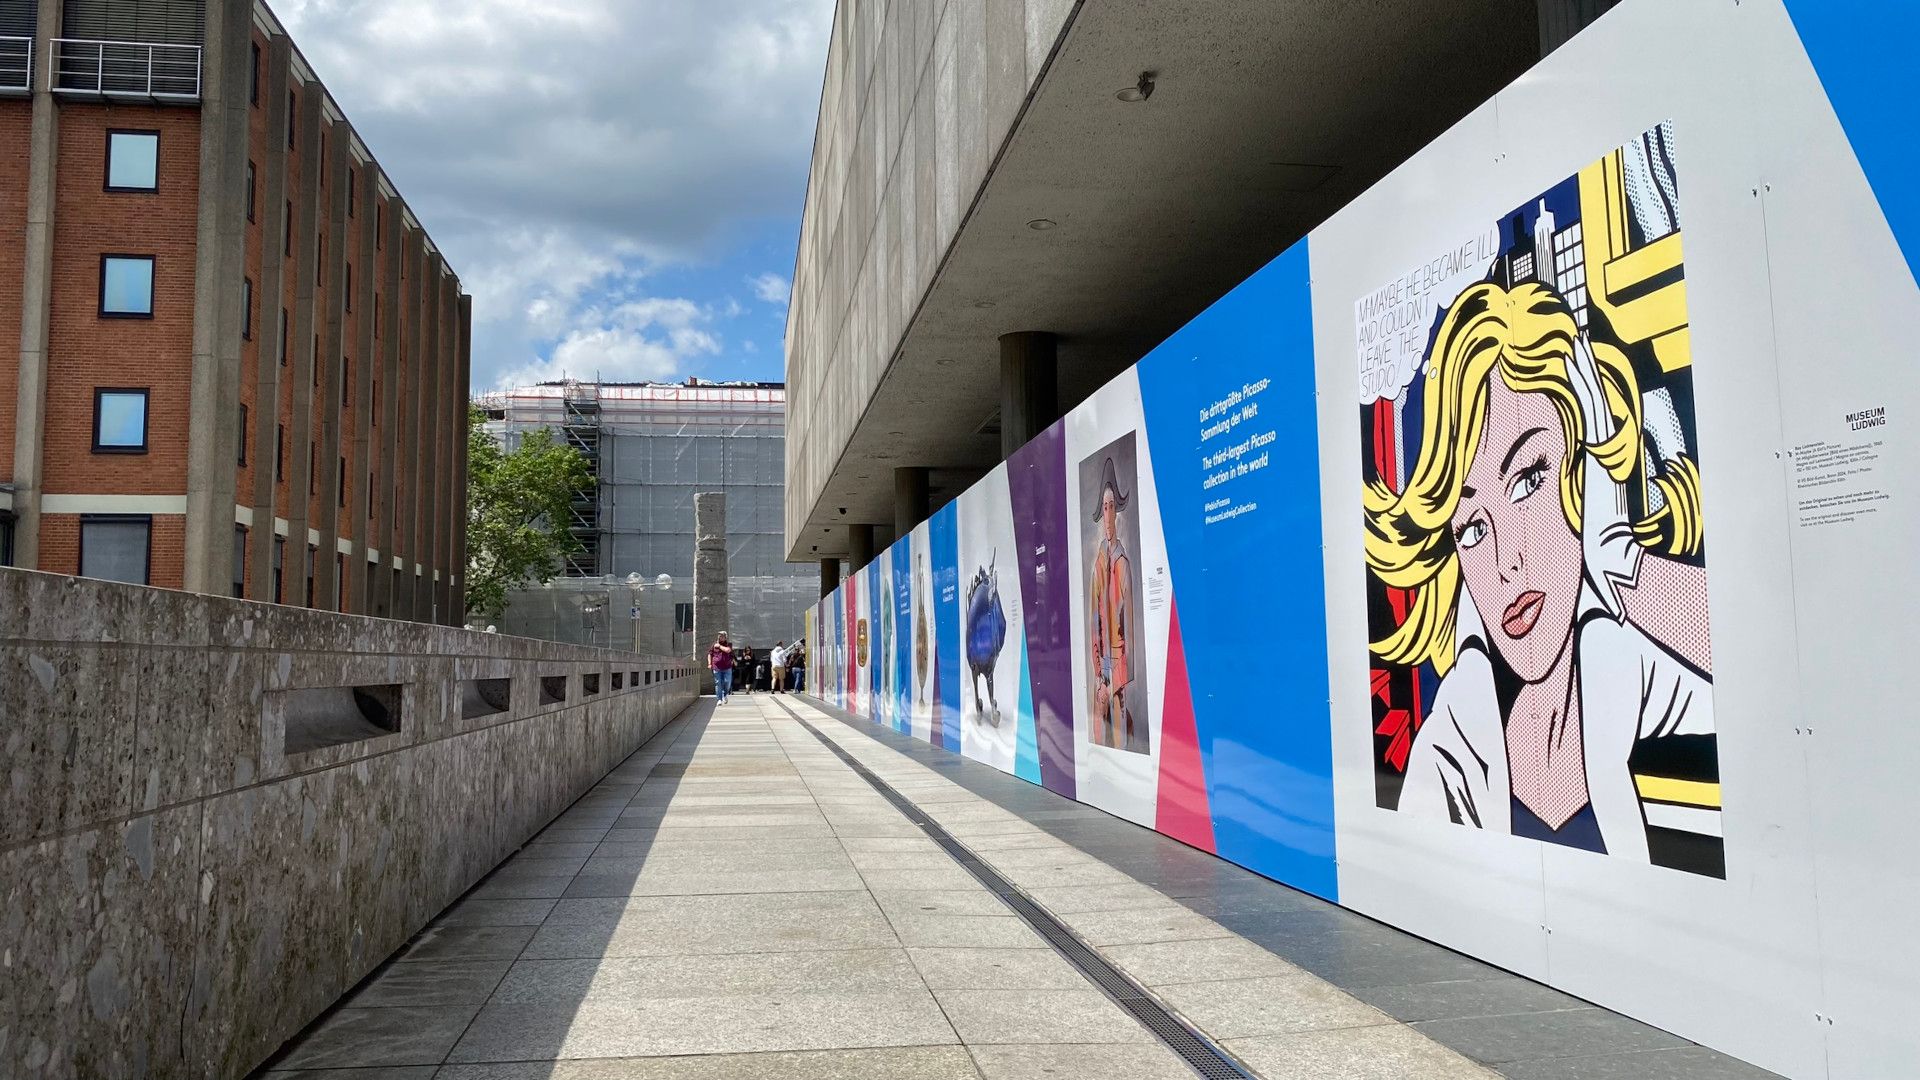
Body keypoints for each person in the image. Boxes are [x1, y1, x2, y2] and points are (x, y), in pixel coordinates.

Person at [1366, 280, 1714, 862]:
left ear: (1582, 479)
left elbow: (1761, 668)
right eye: (1473, 529)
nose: (1507, 563)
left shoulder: (1623, 670)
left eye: (1528, 480)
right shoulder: (1449, 751)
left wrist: (1618, 554)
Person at [1088, 457, 1136, 751]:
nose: (1107, 514)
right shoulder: (1098, 565)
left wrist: (1116, 677)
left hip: (1118, 660)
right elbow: (1095, 622)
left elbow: (1127, 627)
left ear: (1117, 511)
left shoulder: (1123, 565)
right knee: (1098, 723)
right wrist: (1098, 673)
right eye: (1103, 508)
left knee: (1118, 723)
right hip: (1103, 661)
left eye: (1110, 507)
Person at [708, 632, 736, 704]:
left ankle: (725, 694)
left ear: (725, 637)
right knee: (718, 683)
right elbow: (710, 654)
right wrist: (709, 663)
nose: (721, 637)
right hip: (716, 667)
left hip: (727, 667)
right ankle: (719, 699)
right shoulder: (714, 645)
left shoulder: (729, 644)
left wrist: (719, 646)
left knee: (727, 682)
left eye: (723, 636)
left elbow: (728, 650)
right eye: (720, 636)